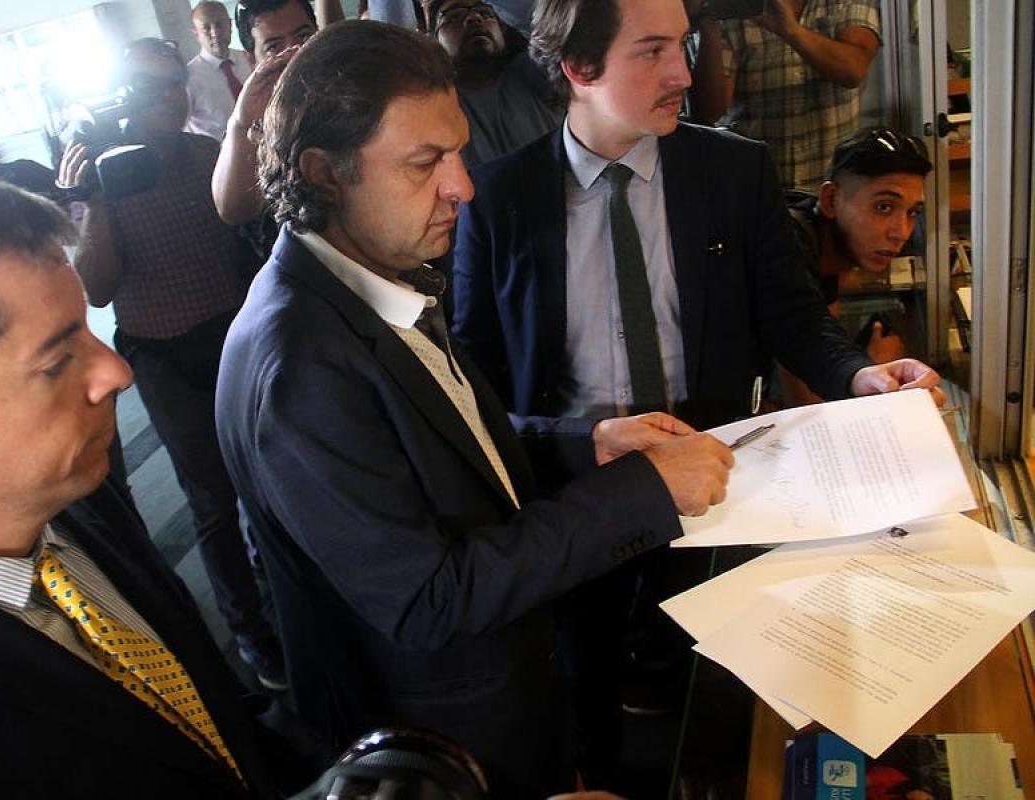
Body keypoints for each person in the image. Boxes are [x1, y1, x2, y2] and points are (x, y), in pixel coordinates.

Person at [215, 20, 734, 796]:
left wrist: (587, 443)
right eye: (425, 163)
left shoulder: (367, 272)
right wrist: (644, 493)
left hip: (508, 695)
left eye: (457, 152)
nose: (463, 185)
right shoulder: (301, 366)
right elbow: (427, 599)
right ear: (324, 173)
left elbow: (444, 447)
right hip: (448, 748)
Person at [452, 0, 940, 782]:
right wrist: (560, 448)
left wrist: (861, 374)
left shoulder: (733, 171)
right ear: (579, 66)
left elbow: (792, 315)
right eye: (652, 51)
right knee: (585, 689)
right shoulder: (498, 199)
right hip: (581, 494)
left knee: (717, 692)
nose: (684, 73)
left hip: (720, 483)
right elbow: (475, 382)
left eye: (682, 44)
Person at [0, 175, 281, 797]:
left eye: (88, 332)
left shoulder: (76, 500)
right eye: (55, 362)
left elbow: (205, 717)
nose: (116, 372)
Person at [59, 37, 286, 690]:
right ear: (123, 97)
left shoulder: (207, 153)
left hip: (234, 337)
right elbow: (98, 288)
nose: (170, 96)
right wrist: (90, 198)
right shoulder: (103, 174)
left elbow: (251, 229)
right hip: (162, 355)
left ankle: (285, 589)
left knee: (269, 472)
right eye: (150, 87)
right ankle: (248, 629)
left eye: (174, 83)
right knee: (212, 499)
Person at [781, 125, 931, 403]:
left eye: (912, 212)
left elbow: (826, 330)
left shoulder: (827, 244)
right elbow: (808, 402)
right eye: (884, 207)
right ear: (830, 200)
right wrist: (872, 365)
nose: (901, 232)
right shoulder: (789, 248)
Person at [689, 0, 882, 191]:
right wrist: (708, 24)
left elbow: (853, 69)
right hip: (754, 183)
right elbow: (708, 112)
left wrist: (790, 30)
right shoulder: (731, 11)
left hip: (832, 182)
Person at [212, 0, 319, 225]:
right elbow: (234, 210)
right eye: (274, 47)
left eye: (304, 36)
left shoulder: (351, 95)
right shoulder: (253, 125)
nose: (295, 54)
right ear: (252, 60)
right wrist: (241, 124)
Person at [426, 0, 561, 169]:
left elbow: (552, 24)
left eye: (486, 13)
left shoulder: (534, 72)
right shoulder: (432, 104)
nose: (474, 18)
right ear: (433, 41)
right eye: (454, 16)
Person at [186, 1, 255, 141]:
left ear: (230, 25)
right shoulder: (188, 78)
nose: (215, 33)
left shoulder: (249, 59)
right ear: (196, 34)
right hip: (216, 152)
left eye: (220, 24)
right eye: (206, 28)